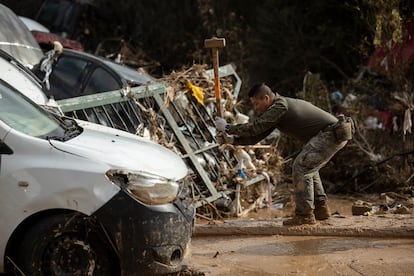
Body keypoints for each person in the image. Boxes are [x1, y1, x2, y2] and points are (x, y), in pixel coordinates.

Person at [215, 83, 353, 226]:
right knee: (309, 168)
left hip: (331, 133)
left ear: (266, 98)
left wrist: (228, 127)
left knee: (301, 167)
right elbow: (257, 135)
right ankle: (320, 210)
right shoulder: (277, 109)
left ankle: (304, 215)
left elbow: (256, 128)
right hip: (332, 134)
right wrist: (233, 140)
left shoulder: (280, 106)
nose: (255, 108)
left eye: (256, 103)